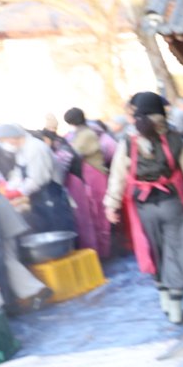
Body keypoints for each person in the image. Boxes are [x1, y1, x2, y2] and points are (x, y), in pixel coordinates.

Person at [104, 92, 183, 325]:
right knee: (175, 249)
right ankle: (177, 308)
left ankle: (164, 301)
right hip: (172, 202)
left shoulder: (128, 141)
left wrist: (111, 205)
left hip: (143, 206)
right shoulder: (174, 138)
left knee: (152, 248)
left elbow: (117, 177)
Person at [0, 124, 77, 236]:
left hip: (52, 197)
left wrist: (17, 193)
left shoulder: (35, 148)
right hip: (39, 199)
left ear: (13, 137)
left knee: (59, 231)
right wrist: (8, 188)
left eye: (4, 140)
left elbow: (37, 180)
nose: (4, 144)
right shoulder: (22, 151)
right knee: (46, 230)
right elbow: (18, 174)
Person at [63, 108, 112, 258]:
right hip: (91, 176)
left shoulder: (85, 135)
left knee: (99, 214)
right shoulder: (84, 133)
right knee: (96, 213)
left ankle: (103, 252)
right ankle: (101, 251)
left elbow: (74, 153)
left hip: (94, 175)